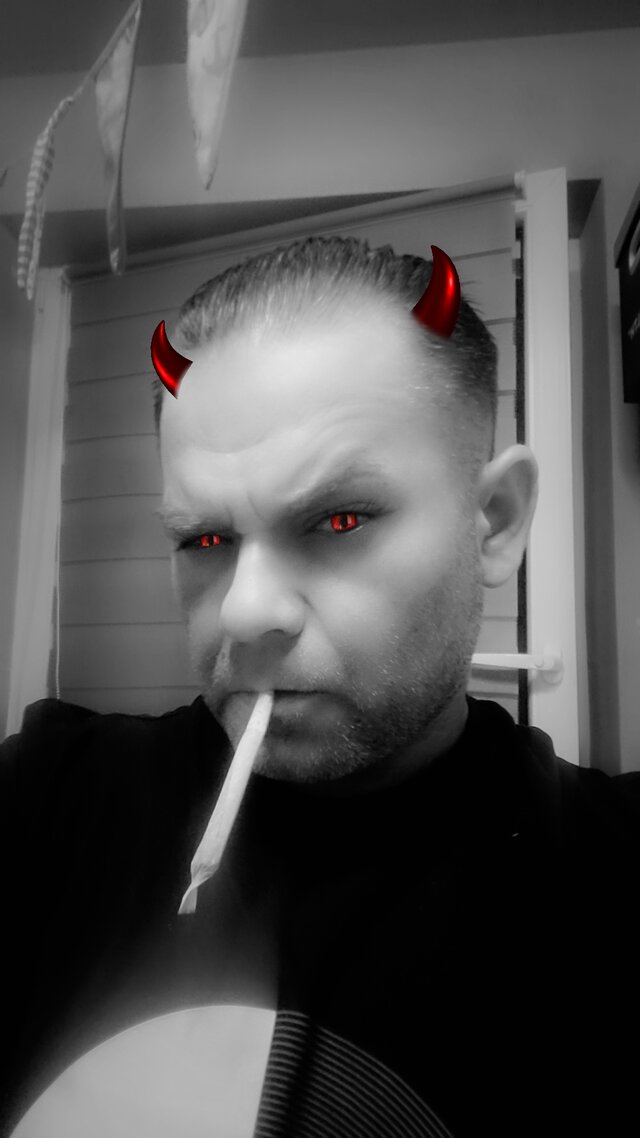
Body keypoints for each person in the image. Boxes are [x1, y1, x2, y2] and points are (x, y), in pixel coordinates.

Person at [1, 236, 639, 1138]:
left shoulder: (610, 883)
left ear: (493, 522)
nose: (244, 611)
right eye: (204, 540)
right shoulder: (49, 799)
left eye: (339, 519)